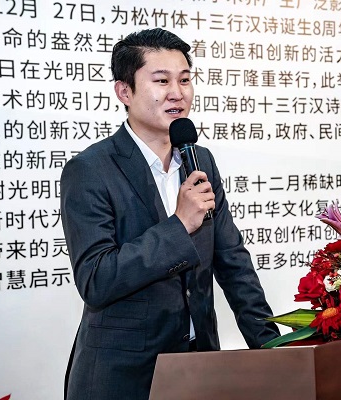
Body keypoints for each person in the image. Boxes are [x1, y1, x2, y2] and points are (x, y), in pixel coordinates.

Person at [60, 28, 280, 400]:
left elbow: (233, 263)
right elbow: (96, 280)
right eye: (161, 81)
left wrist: (273, 350)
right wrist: (179, 226)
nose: (177, 93)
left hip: (198, 367)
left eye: (185, 80)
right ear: (124, 91)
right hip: (123, 376)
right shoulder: (90, 169)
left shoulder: (199, 160)